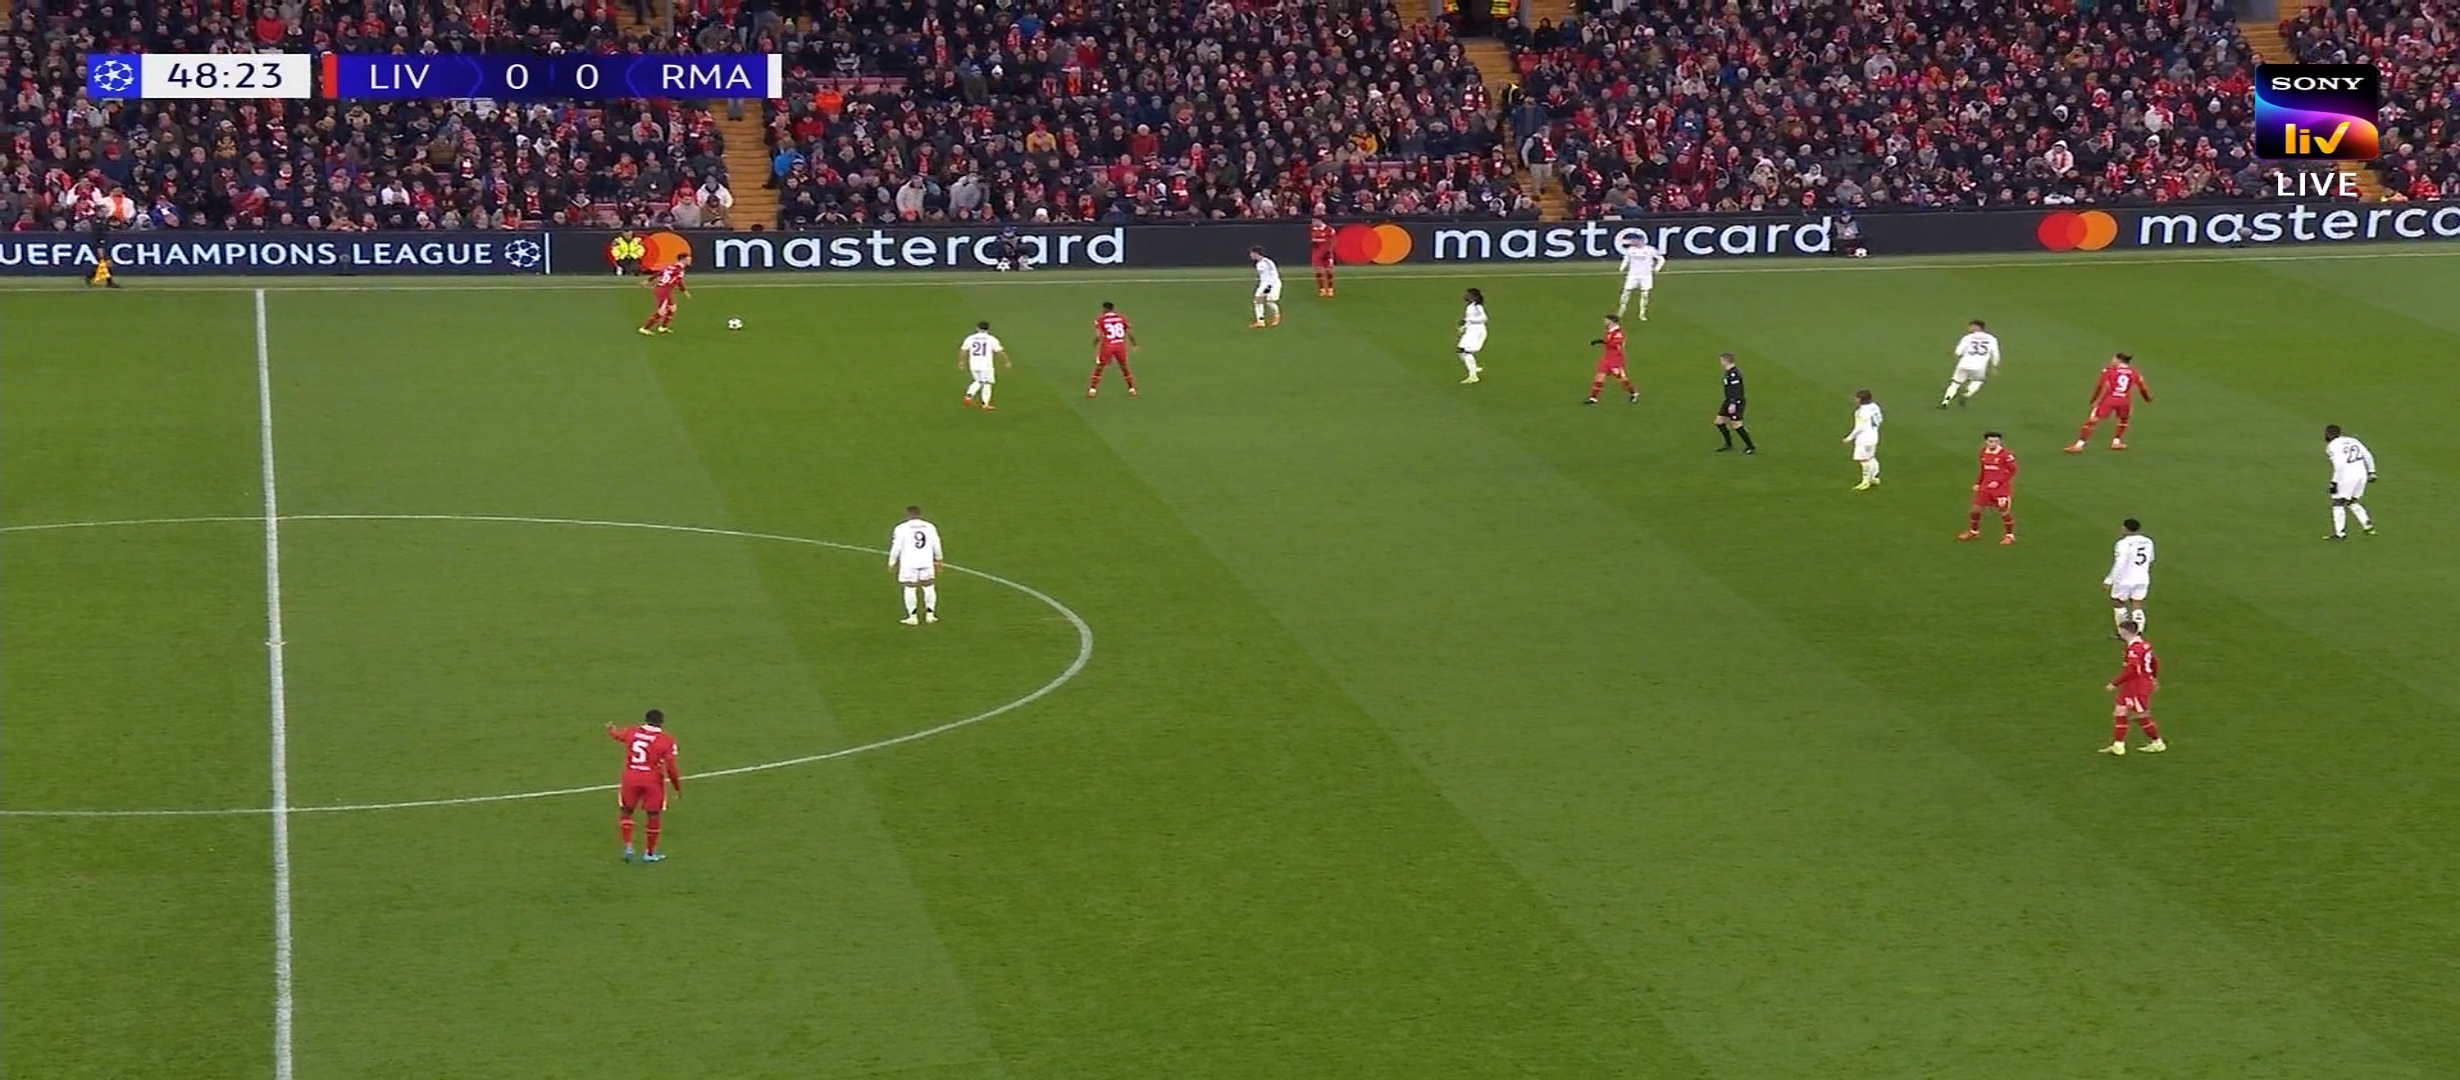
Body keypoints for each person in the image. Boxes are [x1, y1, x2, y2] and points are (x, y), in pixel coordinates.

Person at [607, 710, 683, 863]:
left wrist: (611, 730)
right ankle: (649, 853)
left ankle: (628, 847)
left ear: (646, 720)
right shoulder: (667, 740)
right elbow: (671, 767)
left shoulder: (632, 731)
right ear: (661, 722)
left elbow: (619, 736)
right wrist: (677, 786)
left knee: (626, 811)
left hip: (631, 778)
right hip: (652, 781)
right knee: (653, 815)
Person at [2100, 621, 2168, 756]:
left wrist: (2114, 683)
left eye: (2120, 631)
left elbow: (2132, 670)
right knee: (2120, 711)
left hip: (2137, 685)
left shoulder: (2134, 649)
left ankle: (2157, 743)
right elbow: (2155, 662)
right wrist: (2153, 677)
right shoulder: (2144, 645)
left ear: (2125, 632)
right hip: (2133, 684)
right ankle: (2118, 746)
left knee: (2141, 715)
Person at [2068, 352, 2153, 452]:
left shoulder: (2109, 370)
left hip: (2109, 400)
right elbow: (2143, 388)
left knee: (2093, 419)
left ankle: (2079, 445)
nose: (2112, 361)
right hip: (2124, 400)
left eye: (2114, 359)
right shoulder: (2135, 373)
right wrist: (2147, 398)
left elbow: (2099, 386)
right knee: (2124, 420)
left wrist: (2094, 399)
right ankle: (2116, 442)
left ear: (2119, 360)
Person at [1959, 431, 2020, 544]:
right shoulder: (1983, 452)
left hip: (2001, 489)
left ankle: (2009, 536)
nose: (1993, 444)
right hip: (1985, 486)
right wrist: (1978, 483)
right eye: (1991, 441)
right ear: (1986, 441)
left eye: (1996, 441)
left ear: (2000, 442)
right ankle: (1974, 531)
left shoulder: (2006, 455)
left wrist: (1998, 482)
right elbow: (1983, 469)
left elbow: (2013, 470)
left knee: (2004, 511)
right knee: (1975, 509)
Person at [888, 505, 945, 625]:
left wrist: (892, 562)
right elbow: (936, 544)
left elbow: (896, 547)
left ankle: (913, 617)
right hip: (926, 562)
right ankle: (930, 615)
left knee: (910, 588)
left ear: (907, 515)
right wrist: (939, 559)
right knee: (929, 587)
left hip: (909, 563)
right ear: (920, 514)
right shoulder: (930, 527)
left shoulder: (901, 528)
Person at [2323, 424, 2379, 539]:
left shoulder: (2332, 446)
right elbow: (2367, 455)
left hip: (2347, 476)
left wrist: (2334, 482)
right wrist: (2372, 471)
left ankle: (2340, 533)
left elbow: (2340, 465)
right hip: (2361, 474)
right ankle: (2368, 526)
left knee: (2338, 502)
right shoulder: (2353, 440)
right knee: (2352, 501)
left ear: (2328, 434)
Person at [2104, 519, 2156, 635]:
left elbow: (2120, 563)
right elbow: (2151, 560)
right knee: (2137, 604)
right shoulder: (2148, 541)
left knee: (2118, 603)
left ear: (2125, 528)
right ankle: (2139, 630)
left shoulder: (2123, 543)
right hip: (2142, 578)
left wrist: (2109, 580)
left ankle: (2124, 632)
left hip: (2124, 579)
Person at [1937, 320, 2001, 408]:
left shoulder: (1968, 338)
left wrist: (1957, 357)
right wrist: (1994, 366)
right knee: (1978, 381)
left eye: (1971, 326)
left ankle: (1945, 402)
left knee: (1955, 383)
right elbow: (1995, 354)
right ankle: (1966, 395)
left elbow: (1958, 352)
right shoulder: (1992, 339)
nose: (1969, 328)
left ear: (1977, 327)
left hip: (1963, 364)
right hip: (1979, 366)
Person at [1584, 315, 1638, 404]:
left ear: (1611, 321)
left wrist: (1602, 341)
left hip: (1615, 360)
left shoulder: (1618, 333)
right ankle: (1593, 398)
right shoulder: (1610, 331)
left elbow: (1616, 344)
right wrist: (1602, 341)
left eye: (1606, 320)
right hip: (1606, 358)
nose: (1604, 322)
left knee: (1622, 379)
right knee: (1599, 377)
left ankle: (1634, 393)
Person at [1089, 302, 1138, 398]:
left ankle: (1093, 389)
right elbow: (1129, 333)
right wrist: (1134, 344)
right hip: (1120, 346)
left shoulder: (1101, 319)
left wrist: (1095, 343)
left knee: (1100, 366)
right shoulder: (1122, 318)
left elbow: (1098, 335)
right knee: (1124, 367)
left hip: (1108, 346)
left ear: (1105, 309)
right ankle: (1132, 389)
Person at [960, 321, 1011, 411]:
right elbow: (999, 351)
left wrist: (961, 362)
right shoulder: (991, 339)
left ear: (977, 328)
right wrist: (1007, 361)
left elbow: (963, 350)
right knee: (987, 383)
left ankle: (969, 396)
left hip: (974, 364)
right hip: (986, 365)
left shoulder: (970, 338)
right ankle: (985, 404)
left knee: (978, 381)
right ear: (988, 329)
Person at [1713, 352, 1755, 453]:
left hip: (1736, 402)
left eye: (1721, 360)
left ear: (1725, 361)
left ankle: (1750, 446)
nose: (1720, 362)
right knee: (1719, 422)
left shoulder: (1734, 374)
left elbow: (1737, 390)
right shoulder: (1729, 372)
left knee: (1736, 424)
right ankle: (1728, 444)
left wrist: (1733, 403)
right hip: (1728, 400)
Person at [1615, 235, 1665, 319]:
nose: (1632, 242)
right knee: (1626, 292)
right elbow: (1626, 259)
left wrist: (1657, 268)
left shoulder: (1650, 249)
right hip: (1633, 274)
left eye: (1634, 240)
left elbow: (1661, 259)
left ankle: (1642, 313)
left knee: (1645, 294)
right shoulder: (1631, 250)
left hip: (1646, 275)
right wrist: (1622, 267)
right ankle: (1622, 309)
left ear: (1640, 240)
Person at [637, 255, 689, 335]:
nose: (689, 261)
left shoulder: (671, 266)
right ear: (683, 260)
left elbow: (659, 273)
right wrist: (684, 290)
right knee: (662, 311)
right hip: (664, 291)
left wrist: (648, 281)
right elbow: (679, 281)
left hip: (664, 290)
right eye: (688, 259)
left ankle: (663, 327)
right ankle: (645, 328)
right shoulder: (679, 270)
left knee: (672, 308)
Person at [1844, 389, 1883, 489]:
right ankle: (1874, 477)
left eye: (1856, 398)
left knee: (1863, 459)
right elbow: (1880, 419)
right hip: (1874, 436)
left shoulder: (1861, 412)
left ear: (1860, 399)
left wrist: (1849, 438)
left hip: (1864, 439)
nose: (1855, 400)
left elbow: (1859, 427)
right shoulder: (1875, 406)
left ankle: (1866, 481)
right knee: (1871, 457)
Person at [1457, 288, 1488, 384]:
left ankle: (1473, 376)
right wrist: (1463, 327)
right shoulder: (1470, 306)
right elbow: (1468, 319)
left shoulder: (1478, 307)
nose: (1465, 296)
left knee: (1467, 352)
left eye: (1468, 294)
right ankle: (1473, 367)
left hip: (1477, 331)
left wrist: (1470, 320)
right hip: (1470, 330)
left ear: (1473, 296)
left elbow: (1484, 318)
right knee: (1460, 350)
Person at [1249, 247, 1282, 328]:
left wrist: (1270, 287)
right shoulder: (1261, 262)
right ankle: (1260, 321)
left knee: (1268, 301)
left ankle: (1276, 316)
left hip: (1270, 284)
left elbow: (1273, 275)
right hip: (1266, 284)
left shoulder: (1265, 263)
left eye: (1251, 253)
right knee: (1258, 300)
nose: (1250, 255)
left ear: (1256, 253)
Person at [1309, 217, 1338, 297]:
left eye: (1314, 221)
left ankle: (1330, 289)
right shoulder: (1313, 229)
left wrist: (1329, 251)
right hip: (1317, 254)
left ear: (1320, 221)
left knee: (1329, 271)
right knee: (1318, 271)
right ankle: (1322, 289)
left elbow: (1334, 241)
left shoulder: (1329, 230)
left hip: (1327, 253)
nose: (1313, 223)